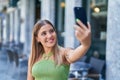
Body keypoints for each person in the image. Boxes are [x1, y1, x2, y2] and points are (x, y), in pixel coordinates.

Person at [27, 19, 91, 80]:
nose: (49, 36)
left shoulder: (64, 53)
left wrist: (85, 45)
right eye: (44, 33)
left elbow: (74, 54)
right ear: (37, 38)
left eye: (51, 31)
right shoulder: (34, 56)